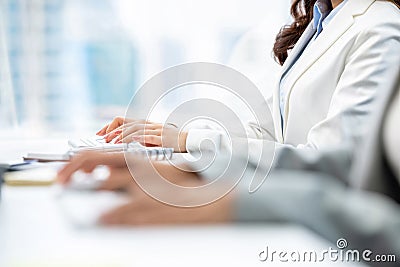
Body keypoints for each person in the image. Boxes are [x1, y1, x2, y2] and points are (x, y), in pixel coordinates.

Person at [58, 64, 400, 266]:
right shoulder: (318, 23)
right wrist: (199, 165)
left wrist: (238, 194)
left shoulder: (380, 25)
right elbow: (338, 159)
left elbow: (352, 176)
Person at [98, 0, 400, 158]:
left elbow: (331, 159)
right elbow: (267, 133)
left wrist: (190, 140)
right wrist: (172, 134)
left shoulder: (380, 27)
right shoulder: (323, 19)